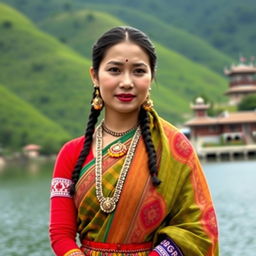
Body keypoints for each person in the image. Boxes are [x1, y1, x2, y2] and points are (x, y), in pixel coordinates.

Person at [49, 26, 219, 256]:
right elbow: (61, 235)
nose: (127, 82)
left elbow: (198, 231)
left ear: (151, 77)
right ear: (94, 76)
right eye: (115, 70)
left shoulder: (174, 148)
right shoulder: (72, 153)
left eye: (138, 71)